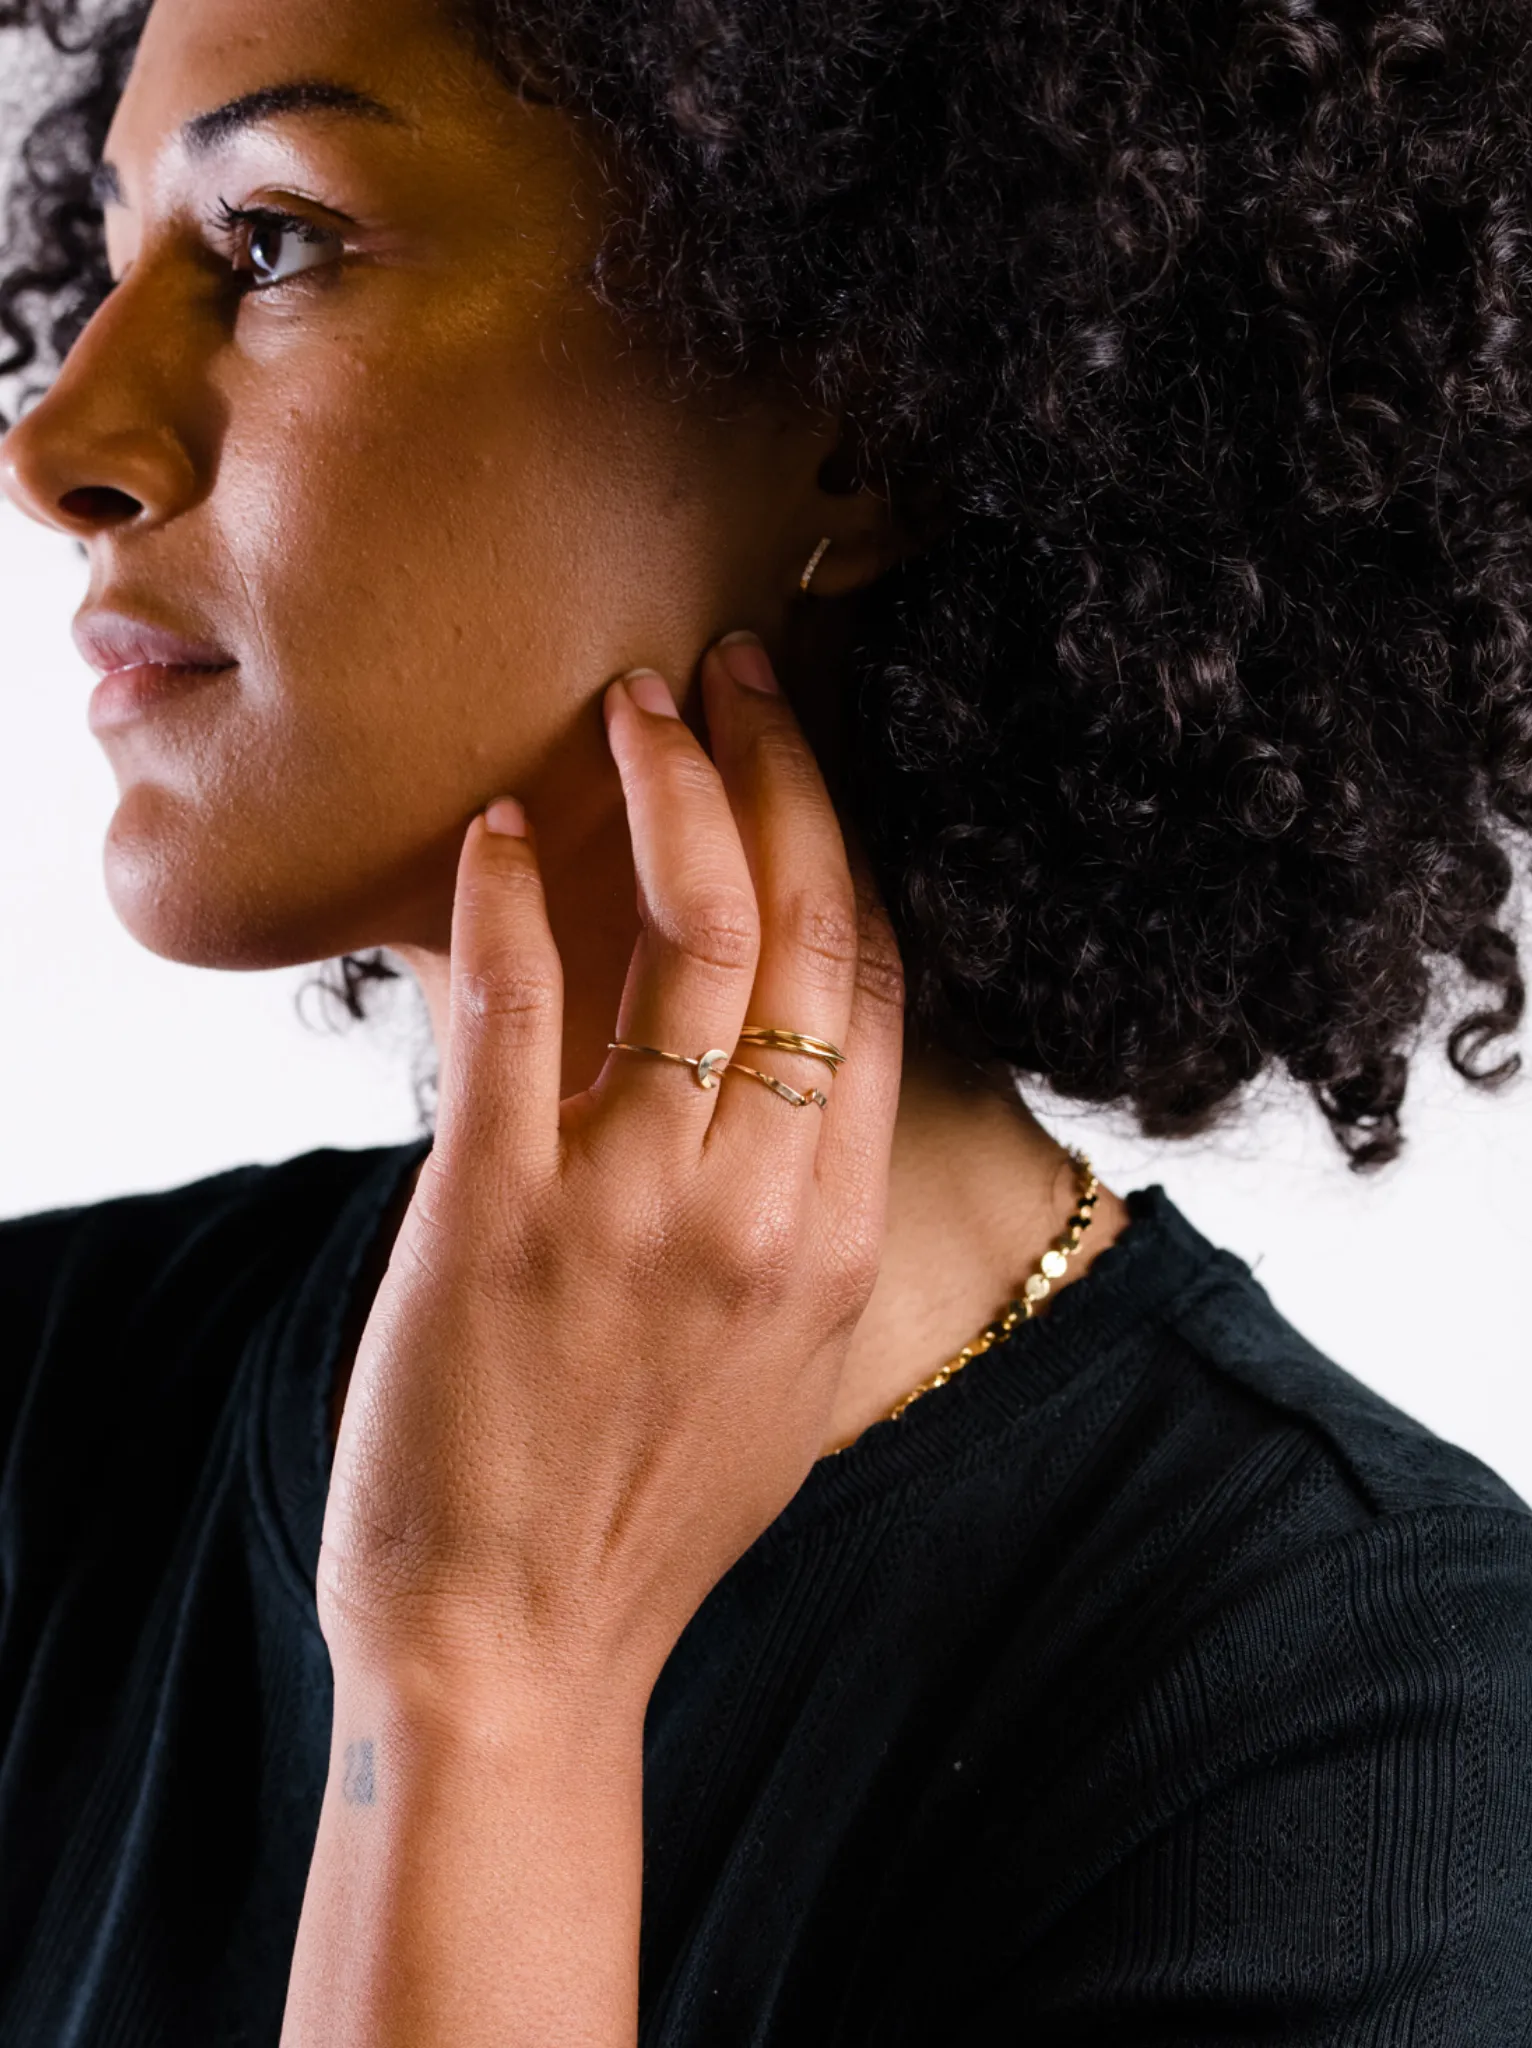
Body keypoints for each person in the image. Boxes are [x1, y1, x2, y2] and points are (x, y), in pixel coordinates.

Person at [1, 0, 1530, 2040]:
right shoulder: (35, 1413)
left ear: (859, 401)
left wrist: (490, 1687)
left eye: (276, 241)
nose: (55, 447)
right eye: (105, 265)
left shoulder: (1370, 1735)